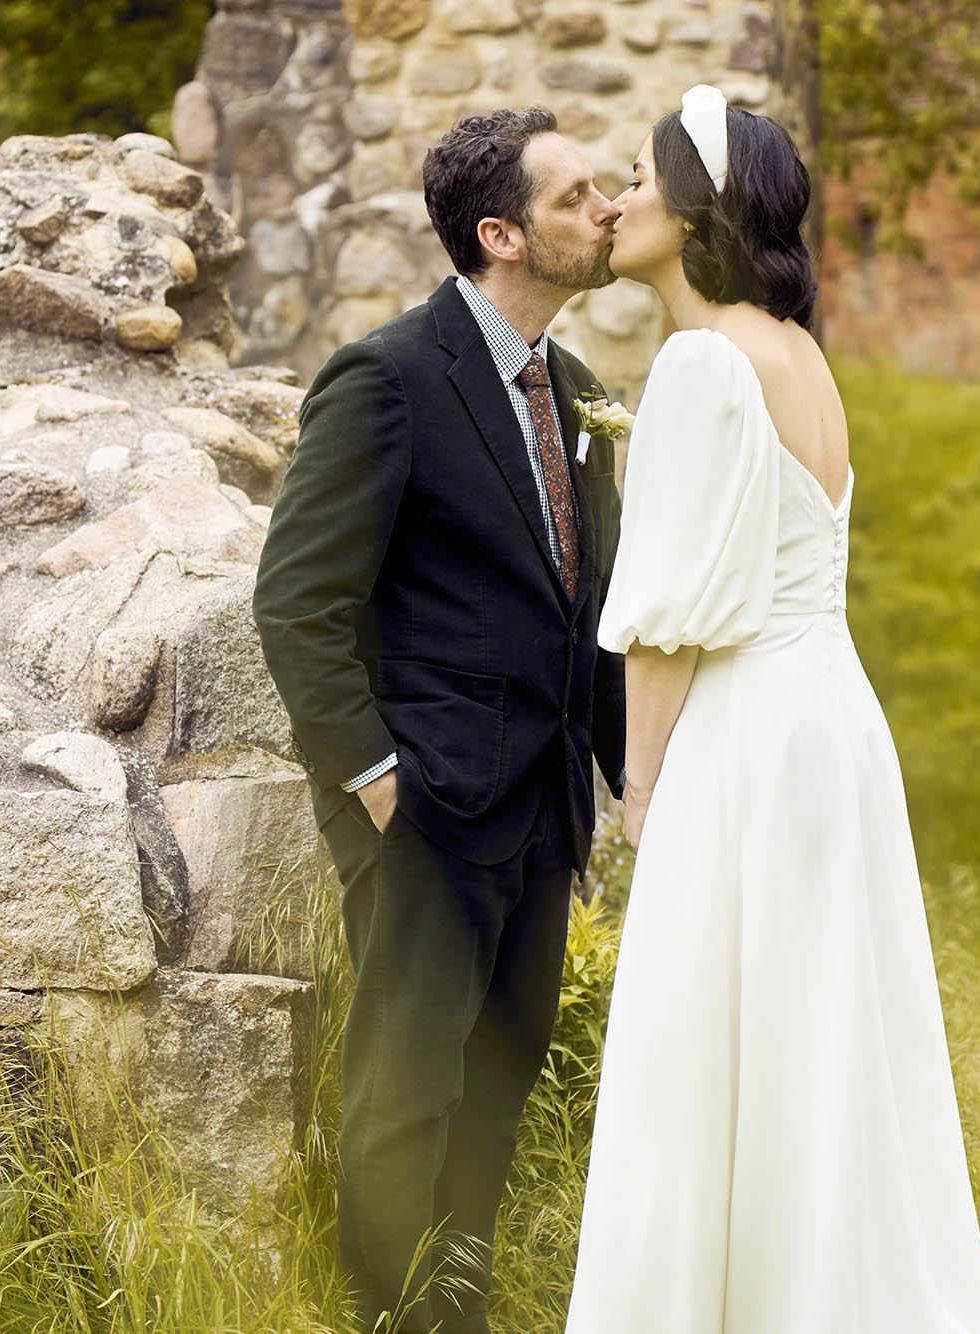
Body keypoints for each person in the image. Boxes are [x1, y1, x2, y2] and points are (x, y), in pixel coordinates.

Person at [564, 86, 980, 1333]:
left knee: (709, 1044)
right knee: (822, 1039)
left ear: (695, 208)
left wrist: (638, 791)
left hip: (748, 736)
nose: (621, 198)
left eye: (641, 179)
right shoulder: (797, 352)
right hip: (833, 722)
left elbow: (663, 620)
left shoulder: (705, 361)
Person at [251, 107, 627, 1334]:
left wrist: (639, 781)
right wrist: (370, 774)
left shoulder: (570, 390)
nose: (608, 208)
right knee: (405, 1088)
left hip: (541, 810)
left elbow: (590, 612)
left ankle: (451, 1306)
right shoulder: (389, 377)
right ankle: (384, 1315)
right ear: (500, 232)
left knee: (502, 1070)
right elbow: (298, 598)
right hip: (424, 807)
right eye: (577, 197)